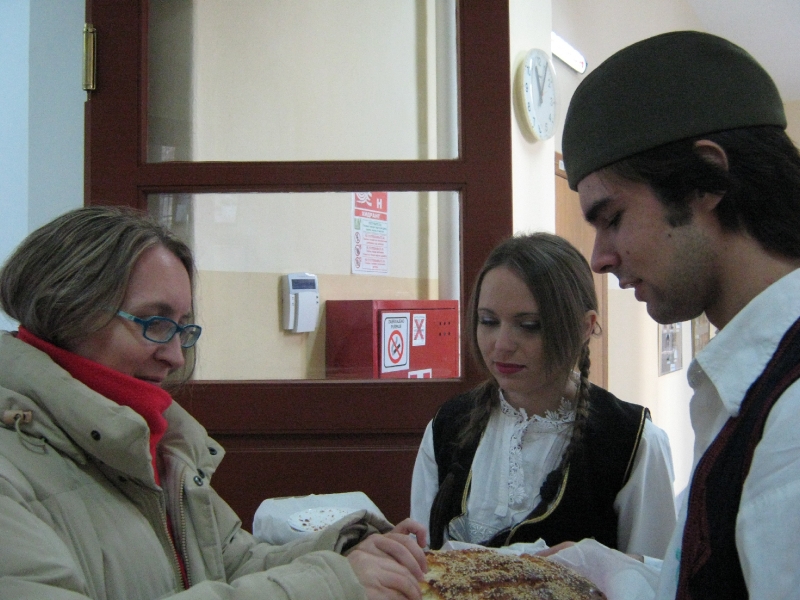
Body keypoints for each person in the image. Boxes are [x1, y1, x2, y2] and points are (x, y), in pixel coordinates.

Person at [0, 206, 427, 600]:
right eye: (153, 322)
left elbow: (233, 564)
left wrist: (350, 551)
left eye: (182, 328)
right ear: (66, 310)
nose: (175, 356)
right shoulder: (12, 475)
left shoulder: (161, 448)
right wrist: (332, 584)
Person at [561, 30, 800, 599]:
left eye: (612, 218)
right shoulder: (754, 384)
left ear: (704, 180)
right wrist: (607, 573)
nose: (599, 258)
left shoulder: (792, 419)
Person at [410, 232, 676, 557]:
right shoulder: (447, 425)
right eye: (488, 321)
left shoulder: (632, 441)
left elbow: (658, 576)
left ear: (585, 327)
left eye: (529, 325)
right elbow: (422, 562)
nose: (501, 345)